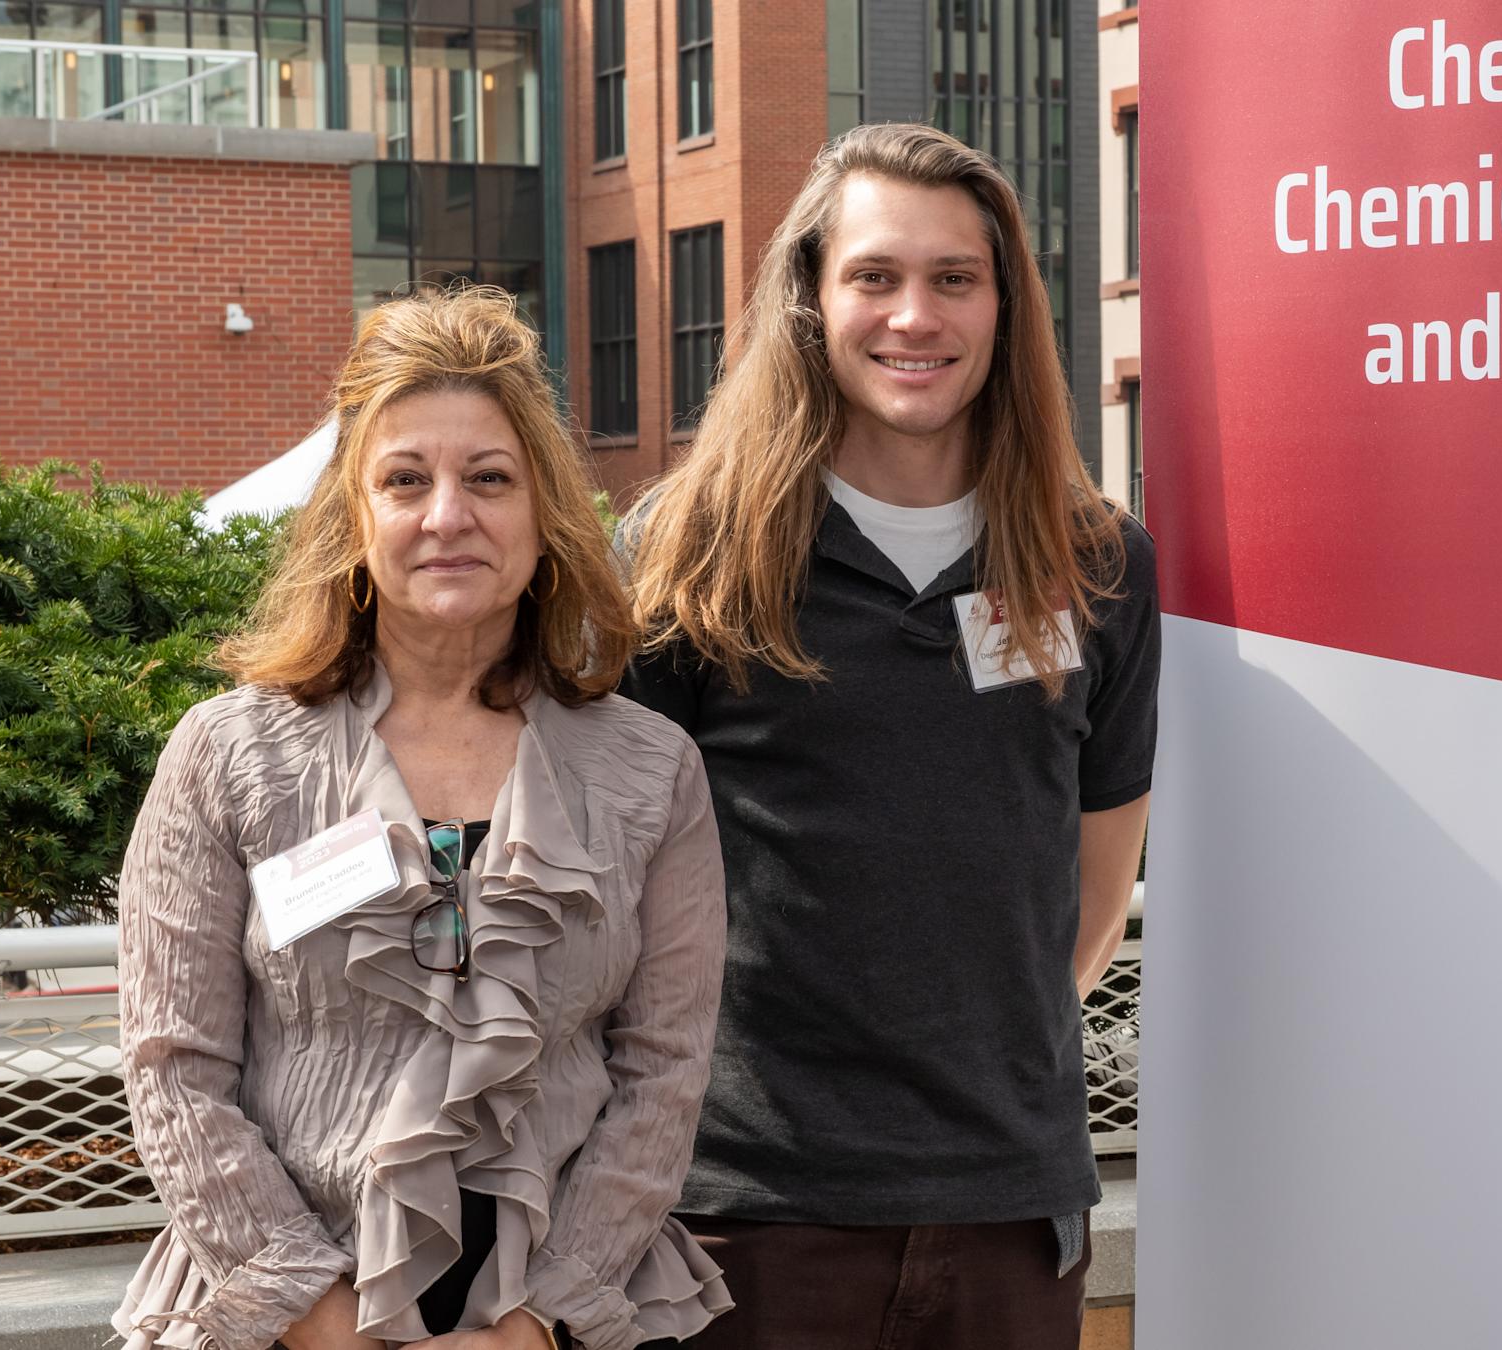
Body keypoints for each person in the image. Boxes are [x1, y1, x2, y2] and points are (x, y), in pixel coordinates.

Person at [620, 123, 1161, 1348]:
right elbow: (612, 891)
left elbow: (1094, 891)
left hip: (1010, 1214)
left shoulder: (1099, 564)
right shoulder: (687, 554)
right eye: (875, 276)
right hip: (743, 1223)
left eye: (952, 279)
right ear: (811, 299)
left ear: (1004, 306)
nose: (913, 316)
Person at [110, 288, 731, 1350]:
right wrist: (322, 1321)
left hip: (559, 1320)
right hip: (280, 1317)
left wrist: (536, 1326)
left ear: (547, 513)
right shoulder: (228, 756)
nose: (448, 515)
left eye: (489, 479)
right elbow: (174, 1066)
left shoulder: (650, 770)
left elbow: (663, 1072)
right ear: (354, 518)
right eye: (406, 480)